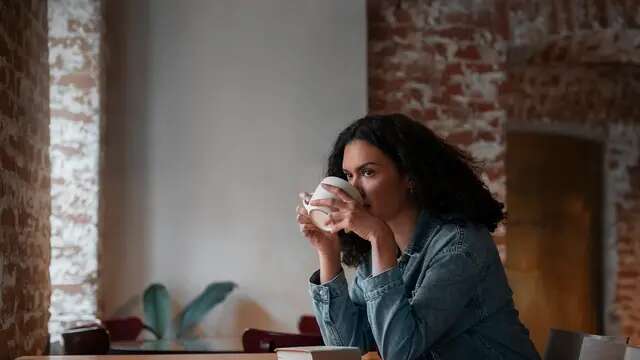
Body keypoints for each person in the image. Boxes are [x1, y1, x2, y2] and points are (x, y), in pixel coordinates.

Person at [295, 114, 540, 360]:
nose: (354, 188)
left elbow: (399, 353)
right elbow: (349, 347)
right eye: (348, 176)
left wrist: (380, 238)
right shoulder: (377, 252)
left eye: (368, 173)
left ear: (410, 177)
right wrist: (327, 253)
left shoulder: (459, 245)